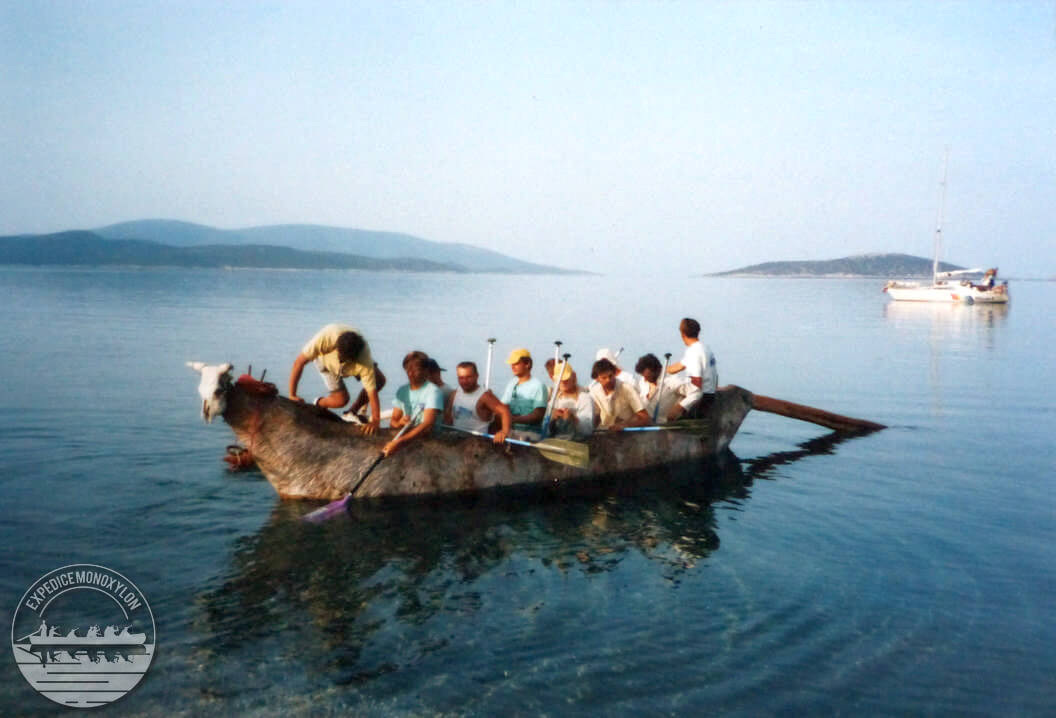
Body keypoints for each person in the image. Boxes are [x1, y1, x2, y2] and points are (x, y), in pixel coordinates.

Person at [288, 324, 386, 435]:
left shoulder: (364, 358)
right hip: (326, 363)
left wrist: (375, 421)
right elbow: (299, 363)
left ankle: (351, 413)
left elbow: (371, 392)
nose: (342, 360)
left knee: (379, 380)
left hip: (354, 363)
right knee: (341, 400)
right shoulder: (325, 338)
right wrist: (292, 395)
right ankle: (318, 404)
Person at [384, 351, 444, 456]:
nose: (410, 374)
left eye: (415, 370)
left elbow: (427, 424)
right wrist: (400, 423)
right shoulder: (402, 391)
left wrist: (399, 442)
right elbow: (393, 421)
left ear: (425, 370)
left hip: (429, 441)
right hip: (407, 436)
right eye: (408, 370)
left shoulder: (433, 391)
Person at [444, 361, 512, 444]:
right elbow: (448, 416)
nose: (465, 381)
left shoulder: (485, 396)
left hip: (477, 443)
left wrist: (504, 432)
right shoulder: (455, 393)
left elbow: (505, 411)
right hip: (457, 439)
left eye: (468, 377)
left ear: (476, 376)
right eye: (461, 378)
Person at [665, 317, 718, 420]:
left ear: (682, 334)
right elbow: (680, 366)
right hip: (710, 392)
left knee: (671, 415)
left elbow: (697, 382)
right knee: (673, 383)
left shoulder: (694, 352)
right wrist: (665, 369)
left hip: (702, 395)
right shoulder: (704, 348)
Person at [589, 358, 651, 430]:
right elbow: (594, 420)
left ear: (615, 374)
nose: (608, 380)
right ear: (597, 379)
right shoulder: (594, 393)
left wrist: (626, 425)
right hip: (604, 433)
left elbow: (645, 418)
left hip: (627, 434)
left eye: (610, 376)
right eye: (604, 378)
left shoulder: (627, 389)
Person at [499, 348, 549, 437]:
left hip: (530, 434)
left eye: (516, 363)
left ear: (527, 364)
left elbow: (538, 415)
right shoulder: (511, 383)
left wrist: (513, 419)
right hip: (510, 430)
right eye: (512, 364)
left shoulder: (538, 386)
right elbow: (503, 405)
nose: (512, 367)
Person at [635, 353, 693, 424]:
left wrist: (680, 407)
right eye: (643, 376)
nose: (645, 379)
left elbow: (695, 393)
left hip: (669, 426)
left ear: (656, 371)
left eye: (648, 376)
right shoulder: (642, 382)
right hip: (648, 426)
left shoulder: (672, 381)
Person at [548, 364, 595, 439]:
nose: (563, 382)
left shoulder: (585, 398)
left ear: (574, 377)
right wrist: (552, 418)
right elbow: (544, 429)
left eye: (566, 379)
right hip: (555, 441)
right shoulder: (554, 400)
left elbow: (587, 430)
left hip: (578, 443)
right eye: (560, 380)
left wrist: (573, 419)